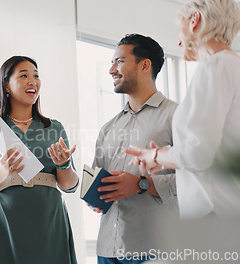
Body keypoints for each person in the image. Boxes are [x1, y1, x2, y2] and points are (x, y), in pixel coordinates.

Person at [126, 0, 240, 219]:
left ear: (195, 20)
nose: (179, 41)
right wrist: (164, 157)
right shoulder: (232, 65)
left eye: (179, 28)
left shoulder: (215, 65)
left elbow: (198, 154)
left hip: (214, 216)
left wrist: (153, 154)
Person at [0, 56, 79, 264]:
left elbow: (69, 186)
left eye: (36, 76)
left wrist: (64, 165)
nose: (32, 81)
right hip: (3, 219)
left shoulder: (54, 128)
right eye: (24, 75)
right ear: (6, 84)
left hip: (49, 220)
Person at [89, 34, 178, 264]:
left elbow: (199, 177)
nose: (111, 70)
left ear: (144, 65)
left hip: (156, 248)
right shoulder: (108, 128)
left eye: (119, 61)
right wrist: (94, 195)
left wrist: (141, 184)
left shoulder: (177, 116)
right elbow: (98, 177)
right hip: (107, 248)